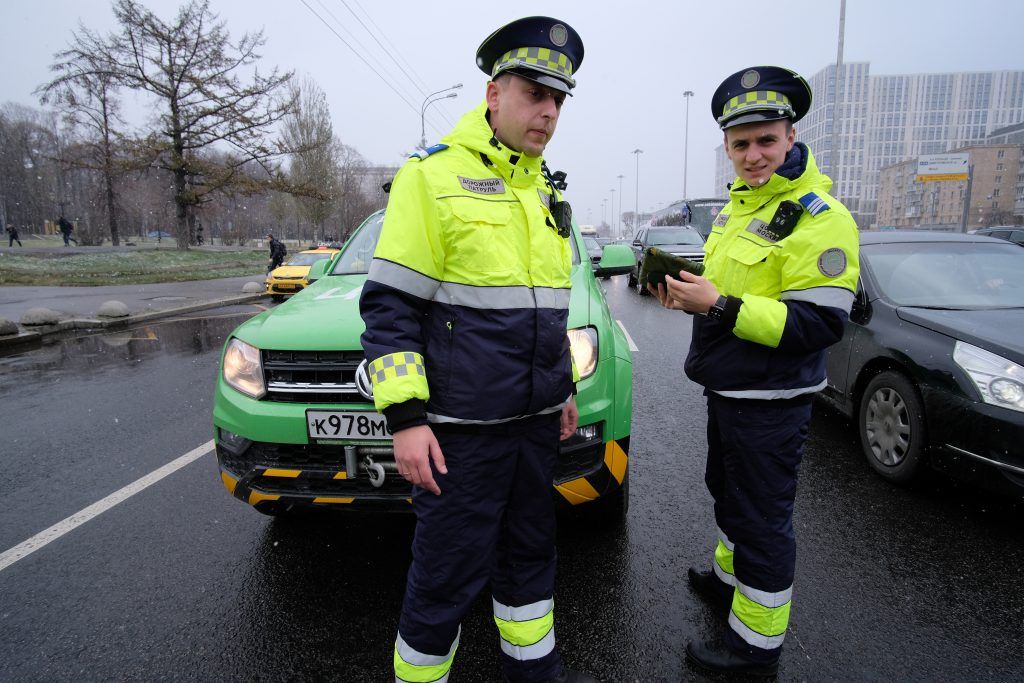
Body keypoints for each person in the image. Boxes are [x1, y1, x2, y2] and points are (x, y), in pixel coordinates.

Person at [359, 16, 597, 683]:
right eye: (533, 93)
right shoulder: (432, 177)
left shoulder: (544, 190)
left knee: (531, 557)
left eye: (558, 100)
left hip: (533, 425)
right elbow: (390, 307)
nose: (547, 112)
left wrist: (564, 387)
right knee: (445, 577)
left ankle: (533, 671)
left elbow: (547, 314)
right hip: (460, 435)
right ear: (494, 95)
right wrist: (405, 421)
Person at [648, 66, 860, 677]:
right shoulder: (736, 212)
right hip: (729, 389)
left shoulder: (820, 216)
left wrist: (717, 304)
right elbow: (729, 291)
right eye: (741, 144)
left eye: (766, 140)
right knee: (728, 493)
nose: (754, 155)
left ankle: (754, 650)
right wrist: (686, 294)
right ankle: (726, 581)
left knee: (763, 520)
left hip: (772, 399)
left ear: (790, 137)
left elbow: (820, 323)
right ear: (727, 148)